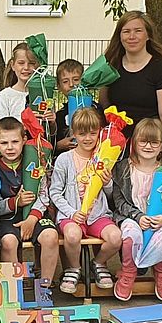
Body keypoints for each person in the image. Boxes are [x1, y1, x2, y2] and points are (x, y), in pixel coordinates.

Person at [49, 107, 121, 294]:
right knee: (73, 235)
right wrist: (72, 213)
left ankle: (98, 263)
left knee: (115, 238)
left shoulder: (104, 157)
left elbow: (110, 195)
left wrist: (107, 183)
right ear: (73, 133)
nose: (88, 138)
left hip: (98, 215)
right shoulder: (65, 159)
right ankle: (74, 268)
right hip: (71, 215)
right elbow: (54, 192)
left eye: (92, 133)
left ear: (100, 133)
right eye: (82, 134)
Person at [112, 118, 162, 302]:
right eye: (143, 141)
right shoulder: (123, 168)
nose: (148, 146)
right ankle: (128, 272)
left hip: (160, 220)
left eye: (154, 142)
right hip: (131, 217)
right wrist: (138, 216)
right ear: (134, 143)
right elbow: (119, 201)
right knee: (130, 235)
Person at [0, 117, 58, 290]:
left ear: (24, 140)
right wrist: (15, 202)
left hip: (36, 214)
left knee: (50, 236)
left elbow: (44, 194)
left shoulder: (35, 162)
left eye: (15, 141)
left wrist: (32, 219)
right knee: (8, 242)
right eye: (4, 143)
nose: (10, 147)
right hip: (8, 217)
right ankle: (14, 290)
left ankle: (45, 287)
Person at [100, 10, 162, 140]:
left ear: (148, 35)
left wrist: (161, 147)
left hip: (148, 142)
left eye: (138, 31)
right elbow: (104, 106)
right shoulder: (112, 67)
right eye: (126, 31)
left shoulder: (160, 70)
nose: (132, 36)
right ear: (120, 36)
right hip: (115, 142)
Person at [0, 42, 39, 121]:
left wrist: (52, 122)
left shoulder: (43, 93)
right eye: (21, 63)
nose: (26, 67)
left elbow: (50, 128)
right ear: (13, 65)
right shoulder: (5, 96)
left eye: (31, 63)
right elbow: (1, 126)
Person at [53, 59, 84, 156]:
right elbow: (51, 143)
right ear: (59, 86)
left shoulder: (95, 109)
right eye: (65, 81)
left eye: (76, 80)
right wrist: (58, 146)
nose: (71, 84)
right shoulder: (59, 116)